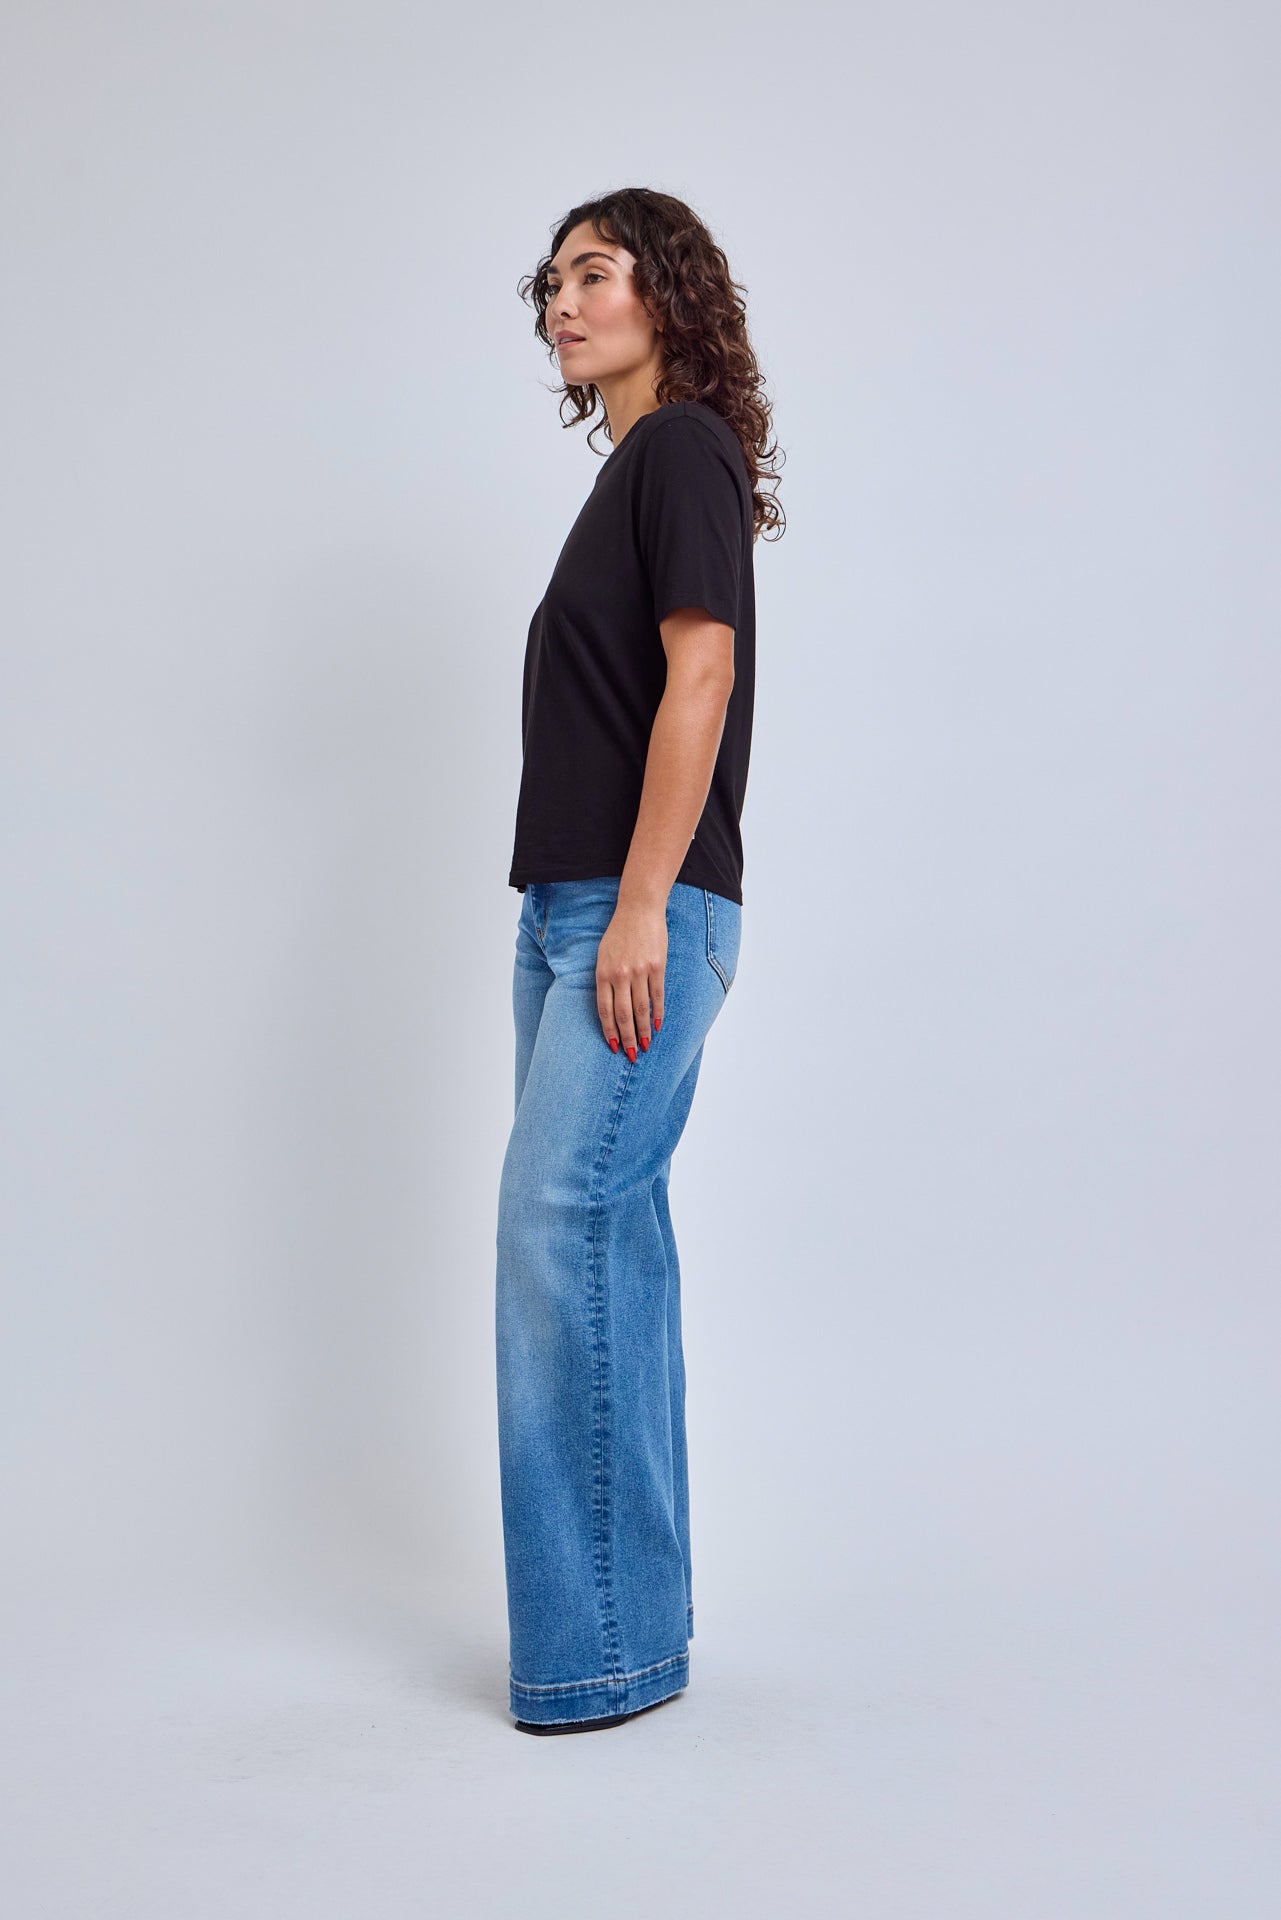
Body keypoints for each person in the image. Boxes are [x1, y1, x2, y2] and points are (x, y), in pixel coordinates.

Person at [495, 187, 784, 1734]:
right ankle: (630, 1633)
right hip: (573, 911)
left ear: (664, 292)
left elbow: (703, 672)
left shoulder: (677, 449)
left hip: (632, 911)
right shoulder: (637, 472)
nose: (560, 302)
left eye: (592, 273)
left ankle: (598, 1653)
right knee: (606, 1251)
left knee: (560, 1239)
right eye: (548, 282)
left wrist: (637, 909)